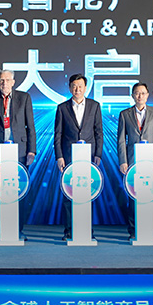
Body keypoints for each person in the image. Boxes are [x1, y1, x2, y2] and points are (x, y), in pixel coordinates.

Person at [0, 69, 36, 241]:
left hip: (20, 152)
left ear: (13, 82)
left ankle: (18, 229)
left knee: (18, 191)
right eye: (1, 80)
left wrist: (31, 151)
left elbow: (30, 127)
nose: (4, 83)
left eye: (7, 80)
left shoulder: (24, 98)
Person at [54, 73, 103, 241]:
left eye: (80, 86)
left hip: (88, 156)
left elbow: (98, 132)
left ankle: (87, 229)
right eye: (74, 86)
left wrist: (98, 154)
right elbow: (58, 134)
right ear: (69, 88)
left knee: (87, 193)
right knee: (69, 194)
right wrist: (59, 156)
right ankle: (69, 230)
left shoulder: (94, 106)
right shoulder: (62, 108)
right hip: (69, 157)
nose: (77, 89)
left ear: (85, 88)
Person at [117, 82, 153, 240]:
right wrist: (123, 161)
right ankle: (133, 231)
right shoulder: (125, 114)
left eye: (143, 93)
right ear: (132, 95)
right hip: (132, 161)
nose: (140, 96)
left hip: (151, 161)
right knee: (133, 196)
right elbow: (121, 140)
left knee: (152, 195)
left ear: (148, 95)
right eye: (137, 93)